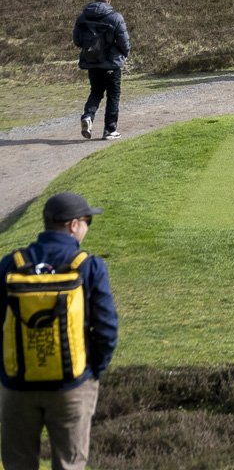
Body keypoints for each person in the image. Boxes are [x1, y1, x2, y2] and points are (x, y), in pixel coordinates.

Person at [1, 192, 117, 470]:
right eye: (88, 221)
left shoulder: (11, 264)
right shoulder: (89, 266)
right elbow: (107, 328)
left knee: (17, 464)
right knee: (70, 465)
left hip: (17, 386)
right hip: (71, 386)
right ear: (73, 225)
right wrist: (91, 372)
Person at [71, 0, 129, 142]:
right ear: (109, 0)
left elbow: (77, 40)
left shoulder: (82, 17)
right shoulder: (115, 17)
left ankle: (88, 116)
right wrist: (124, 54)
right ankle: (110, 129)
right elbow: (124, 41)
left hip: (91, 62)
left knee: (96, 92)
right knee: (113, 96)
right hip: (111, 63)